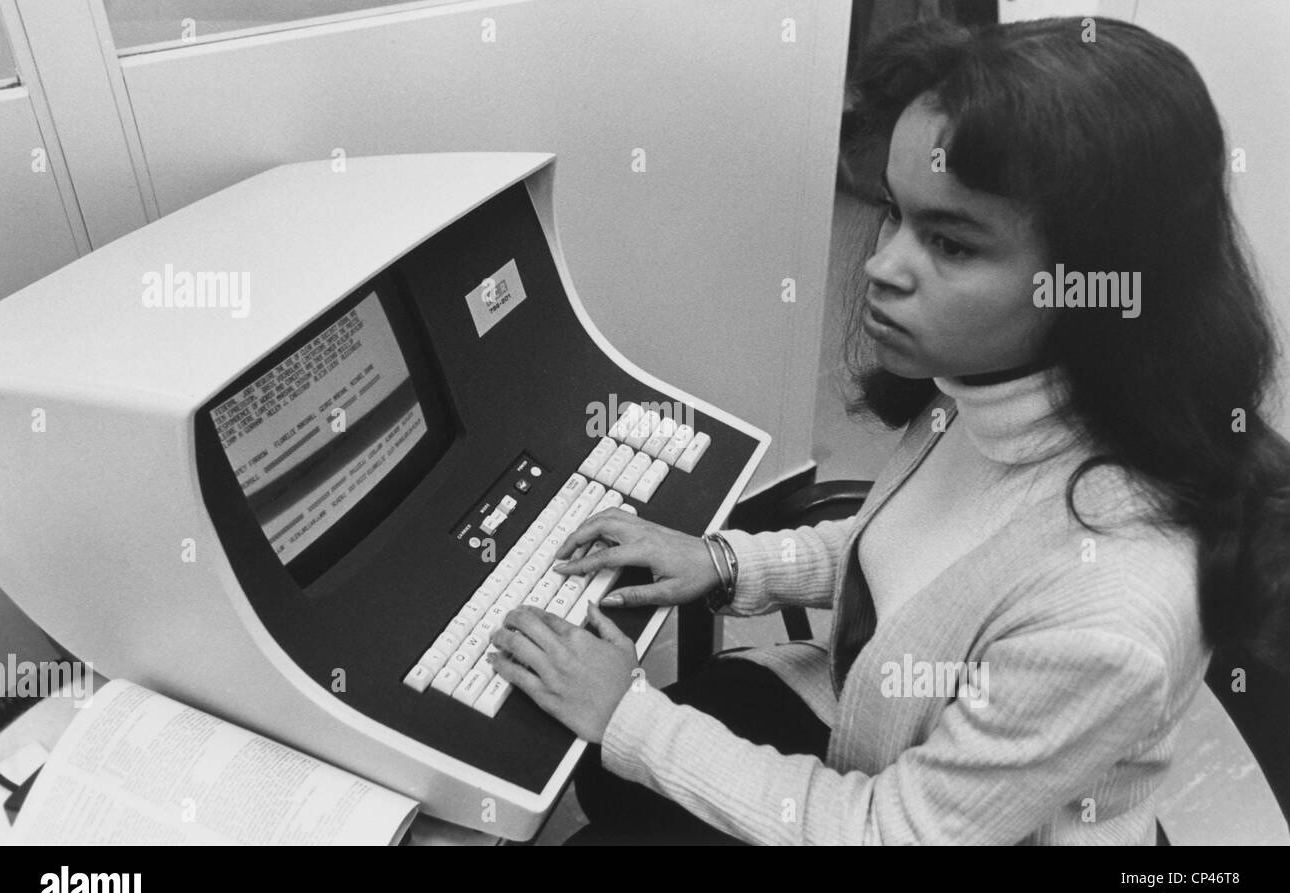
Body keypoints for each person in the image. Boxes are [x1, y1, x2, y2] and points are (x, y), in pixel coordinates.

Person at [488, 15, 1290, 845]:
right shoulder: (998, 387)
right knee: (601, 771)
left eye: (948, 242)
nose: (880, 265)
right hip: (874, 714)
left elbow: (889, 832)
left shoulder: (1110, 613)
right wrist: (725, 563)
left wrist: (631, 717)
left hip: (922, 820)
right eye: (893, 213)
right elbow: (901, 555)